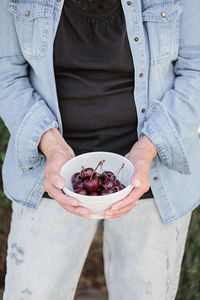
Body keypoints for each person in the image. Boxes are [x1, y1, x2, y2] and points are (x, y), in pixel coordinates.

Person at [0, 0, 200, 299]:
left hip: (153, 173)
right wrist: (52, 145)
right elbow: (6, 75)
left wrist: (147, 149)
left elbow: (195, 71)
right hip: (50, 174)